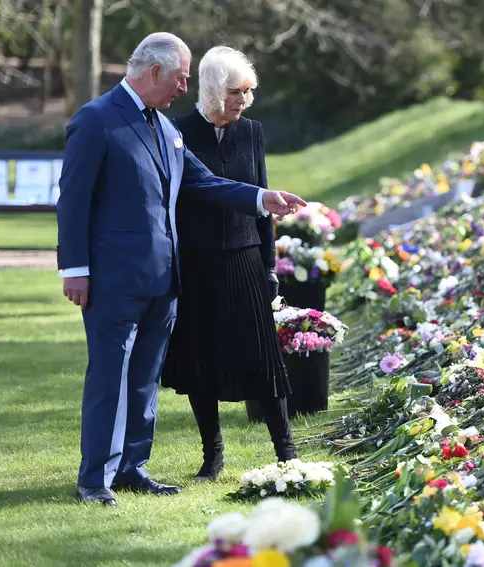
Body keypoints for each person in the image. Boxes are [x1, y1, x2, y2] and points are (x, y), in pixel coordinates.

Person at [56, 32, 307, 507]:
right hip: (113, 282)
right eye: (181, 78)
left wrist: (261, 199)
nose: (184, 88)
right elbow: (72, 202)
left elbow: (205, 182)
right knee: (110, 376)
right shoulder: (96, 121)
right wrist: (75, 269)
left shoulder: (165, 128)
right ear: (154, 72)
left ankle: (132, 467)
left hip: (164, 282)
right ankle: (94, 479)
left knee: (145, 379)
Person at [160, 46, 294, 483]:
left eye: (249, 91)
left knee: (263, 359)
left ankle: (286, 453)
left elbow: (263, 201)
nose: (245, 100)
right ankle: (212, 456)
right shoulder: (177, 132)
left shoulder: (252, 132)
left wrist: (270, 265)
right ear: (215, 89)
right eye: (237, 91)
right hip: (197, 263)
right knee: (202, 361)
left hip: (245, 259)